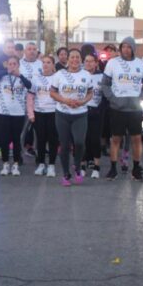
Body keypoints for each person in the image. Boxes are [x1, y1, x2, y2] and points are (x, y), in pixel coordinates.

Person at [101, 37, 143, 181]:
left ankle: (135, 168)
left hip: (135, 109)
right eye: (123, 47)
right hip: (117, 108)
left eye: (129, 47)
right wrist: (113, 98)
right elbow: (105, 84)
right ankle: (113, 168)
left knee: (136, 139)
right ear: (120, 48)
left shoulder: (140, 64)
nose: (126, 50)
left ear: (133, 48)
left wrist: (142, 97)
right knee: (116, 139)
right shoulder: (112, 63)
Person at [50, 49, 94, 186]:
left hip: (80, 114)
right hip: (62, 114)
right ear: (67, 59)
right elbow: (52, 92)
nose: (75, 60)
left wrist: (82, 102)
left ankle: (77, 166)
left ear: (80, 60)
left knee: (80, 142)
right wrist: (64, 101)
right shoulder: (59, 74)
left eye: (77, 57)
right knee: (64, 145)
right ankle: (65, 174)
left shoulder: (86, 75)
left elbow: (90, 93)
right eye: (72, 57)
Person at [0, 56, 32, 176]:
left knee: (16, 140)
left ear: (18, 65)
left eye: (14, 64)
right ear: (7, 65)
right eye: (10, 64)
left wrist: (19, 75)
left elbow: (30, 86)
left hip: (18, 113)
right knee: (4, 140)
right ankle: (5, 164)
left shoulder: (22, 77)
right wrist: (7, 71)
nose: (12, 66)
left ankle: (16, 164)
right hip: (3, 112)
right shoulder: (2, 76)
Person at [27, 55, 58, 177]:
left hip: (54, 113)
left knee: (53, 140)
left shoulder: (57, 78)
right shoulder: (36, 79)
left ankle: (51, 165)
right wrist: (31, 113)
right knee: (40, 140)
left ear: (53, 65)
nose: (45, 64)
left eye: (48, 62)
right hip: (39, 113)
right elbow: (30, 98)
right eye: (43, 62)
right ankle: (41, 164)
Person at [83, 53, 105, 178]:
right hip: (82, 111)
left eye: (91, 61)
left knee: (95, 139)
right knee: (83, 139)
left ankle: (96, 166)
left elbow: (106, 94)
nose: (89, 63)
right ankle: (83, 164)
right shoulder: (80, 75)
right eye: (86, 61)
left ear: (96, 63)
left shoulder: (102, 77)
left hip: (97, 111)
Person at [20, 42, 43, 158]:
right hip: (21, 101)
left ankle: (37, 150)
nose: (32, 51)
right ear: (25, 51)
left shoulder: (42, 64)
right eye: (29, 49)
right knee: (23, 129)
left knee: (37, 129)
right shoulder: (19, 64)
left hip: (38, 101)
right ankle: (19, 151)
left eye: (34, 49)